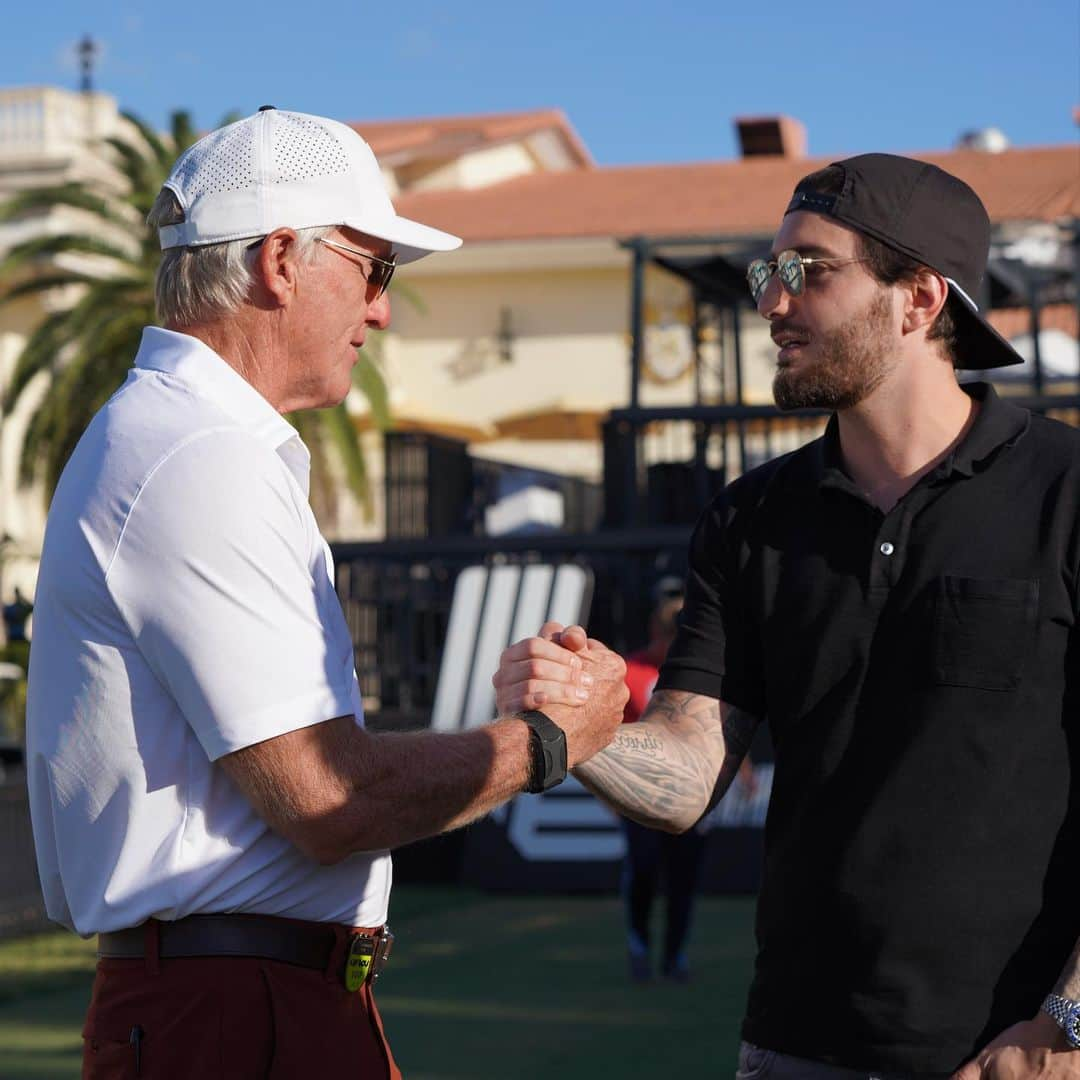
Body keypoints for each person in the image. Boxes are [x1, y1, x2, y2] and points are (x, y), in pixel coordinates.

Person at [25, 108, 627, 1080]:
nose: (383, 310)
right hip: (229, 1009)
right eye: (374, 268)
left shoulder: (184, 439)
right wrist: (552, 741)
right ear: (277, 262)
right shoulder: (197, 452)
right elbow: (330, 799)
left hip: (246, 994)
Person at [501, 155, 1080, 1078]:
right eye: (769, 274)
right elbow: (690, 774)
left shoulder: (1065, 490)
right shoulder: (751, 515)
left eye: (809, 271)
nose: (772, 302)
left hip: (1012, 1052)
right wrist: (584, 727)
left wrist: (1066, 1028)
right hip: (793, 1048)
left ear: (920, 298)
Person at [620, 578, 707, 983]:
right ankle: (639, 944)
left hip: (687, 793)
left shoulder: (696, 675)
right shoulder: (630, 672)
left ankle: (675, 957)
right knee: (644, 869)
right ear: (658, 631)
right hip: (639, 796)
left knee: (682, 879)